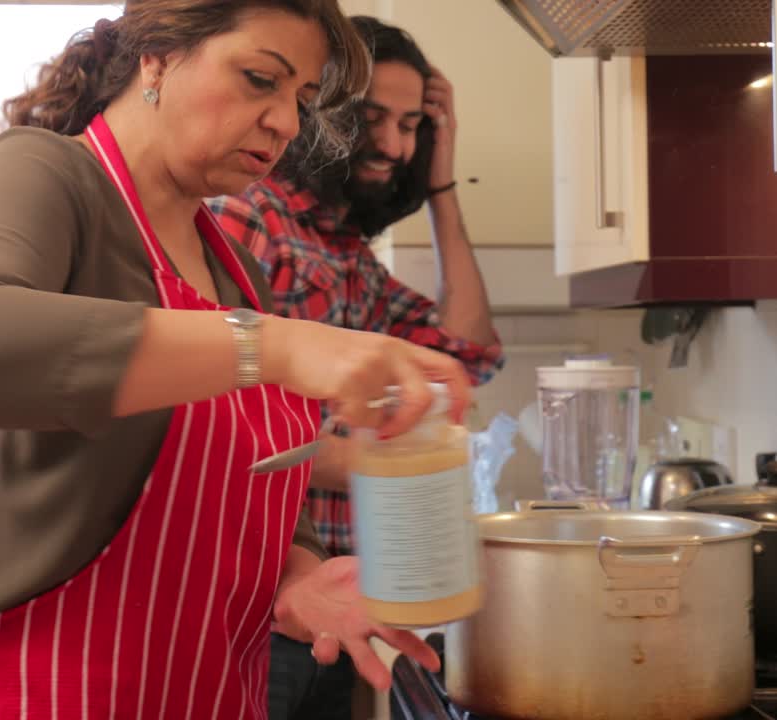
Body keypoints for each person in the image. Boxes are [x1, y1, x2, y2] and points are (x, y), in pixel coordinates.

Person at [0, 2, 465, 718]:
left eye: (300, 101)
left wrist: (297, 576)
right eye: (257, 80)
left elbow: (242, 480)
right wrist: (275, 345)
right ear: (156, 55)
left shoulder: (238, 271)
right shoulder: (46, 174)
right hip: (19, 695)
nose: (284, 122)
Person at [209, 15, 503, 719]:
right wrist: (395, 462)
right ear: (326, 113)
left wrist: (441, 181)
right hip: (261, 613)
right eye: (374, 119)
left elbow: (465, 351)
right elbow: (214, 430)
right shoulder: (250, 218)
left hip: (336, 611)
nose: (394, 145)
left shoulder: (343, 252)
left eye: (410, 126)